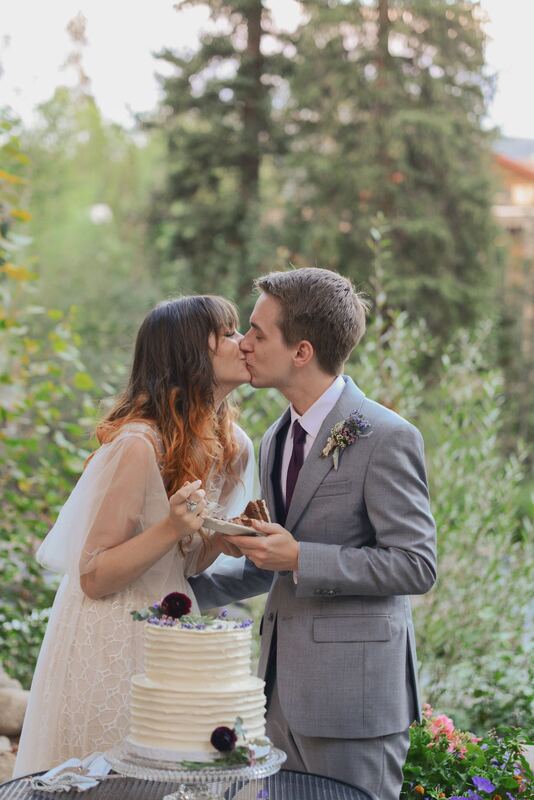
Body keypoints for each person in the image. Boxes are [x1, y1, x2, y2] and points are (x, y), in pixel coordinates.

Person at [190, 268, 437, 800]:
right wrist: (178, 592)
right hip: (280, 698)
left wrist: (302, 555)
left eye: (257, 332)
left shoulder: (387, 436)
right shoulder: (276, 437)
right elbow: (268, 565)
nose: (244, 344)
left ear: (301, 351)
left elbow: (416, 564)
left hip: (356, 701)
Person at [14, 295, 254, 777]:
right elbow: (94, 575)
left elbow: (180, 563)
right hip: (108, 630)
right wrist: (171, 527)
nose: (243, 342)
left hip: (170, 627)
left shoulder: (233, 447)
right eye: (227, 334)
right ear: (190, 355)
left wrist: (219, 542)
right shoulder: (137, 445)